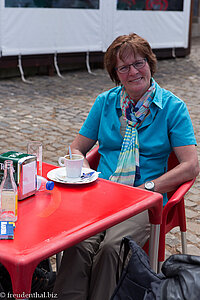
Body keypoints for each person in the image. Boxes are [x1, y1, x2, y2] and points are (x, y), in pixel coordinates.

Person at [53, 33, 199, 300]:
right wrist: (86, 173)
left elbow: (190, 166)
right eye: (124, 67)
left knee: (111, 247)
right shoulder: (106, 102)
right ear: (115, 74)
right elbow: (77, 148)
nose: (133, 72)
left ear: (150, 64)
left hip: (143, 200)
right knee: (77, 243)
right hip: (102, 194)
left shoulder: (172, 108)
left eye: (139, 63)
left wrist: (148, 188)